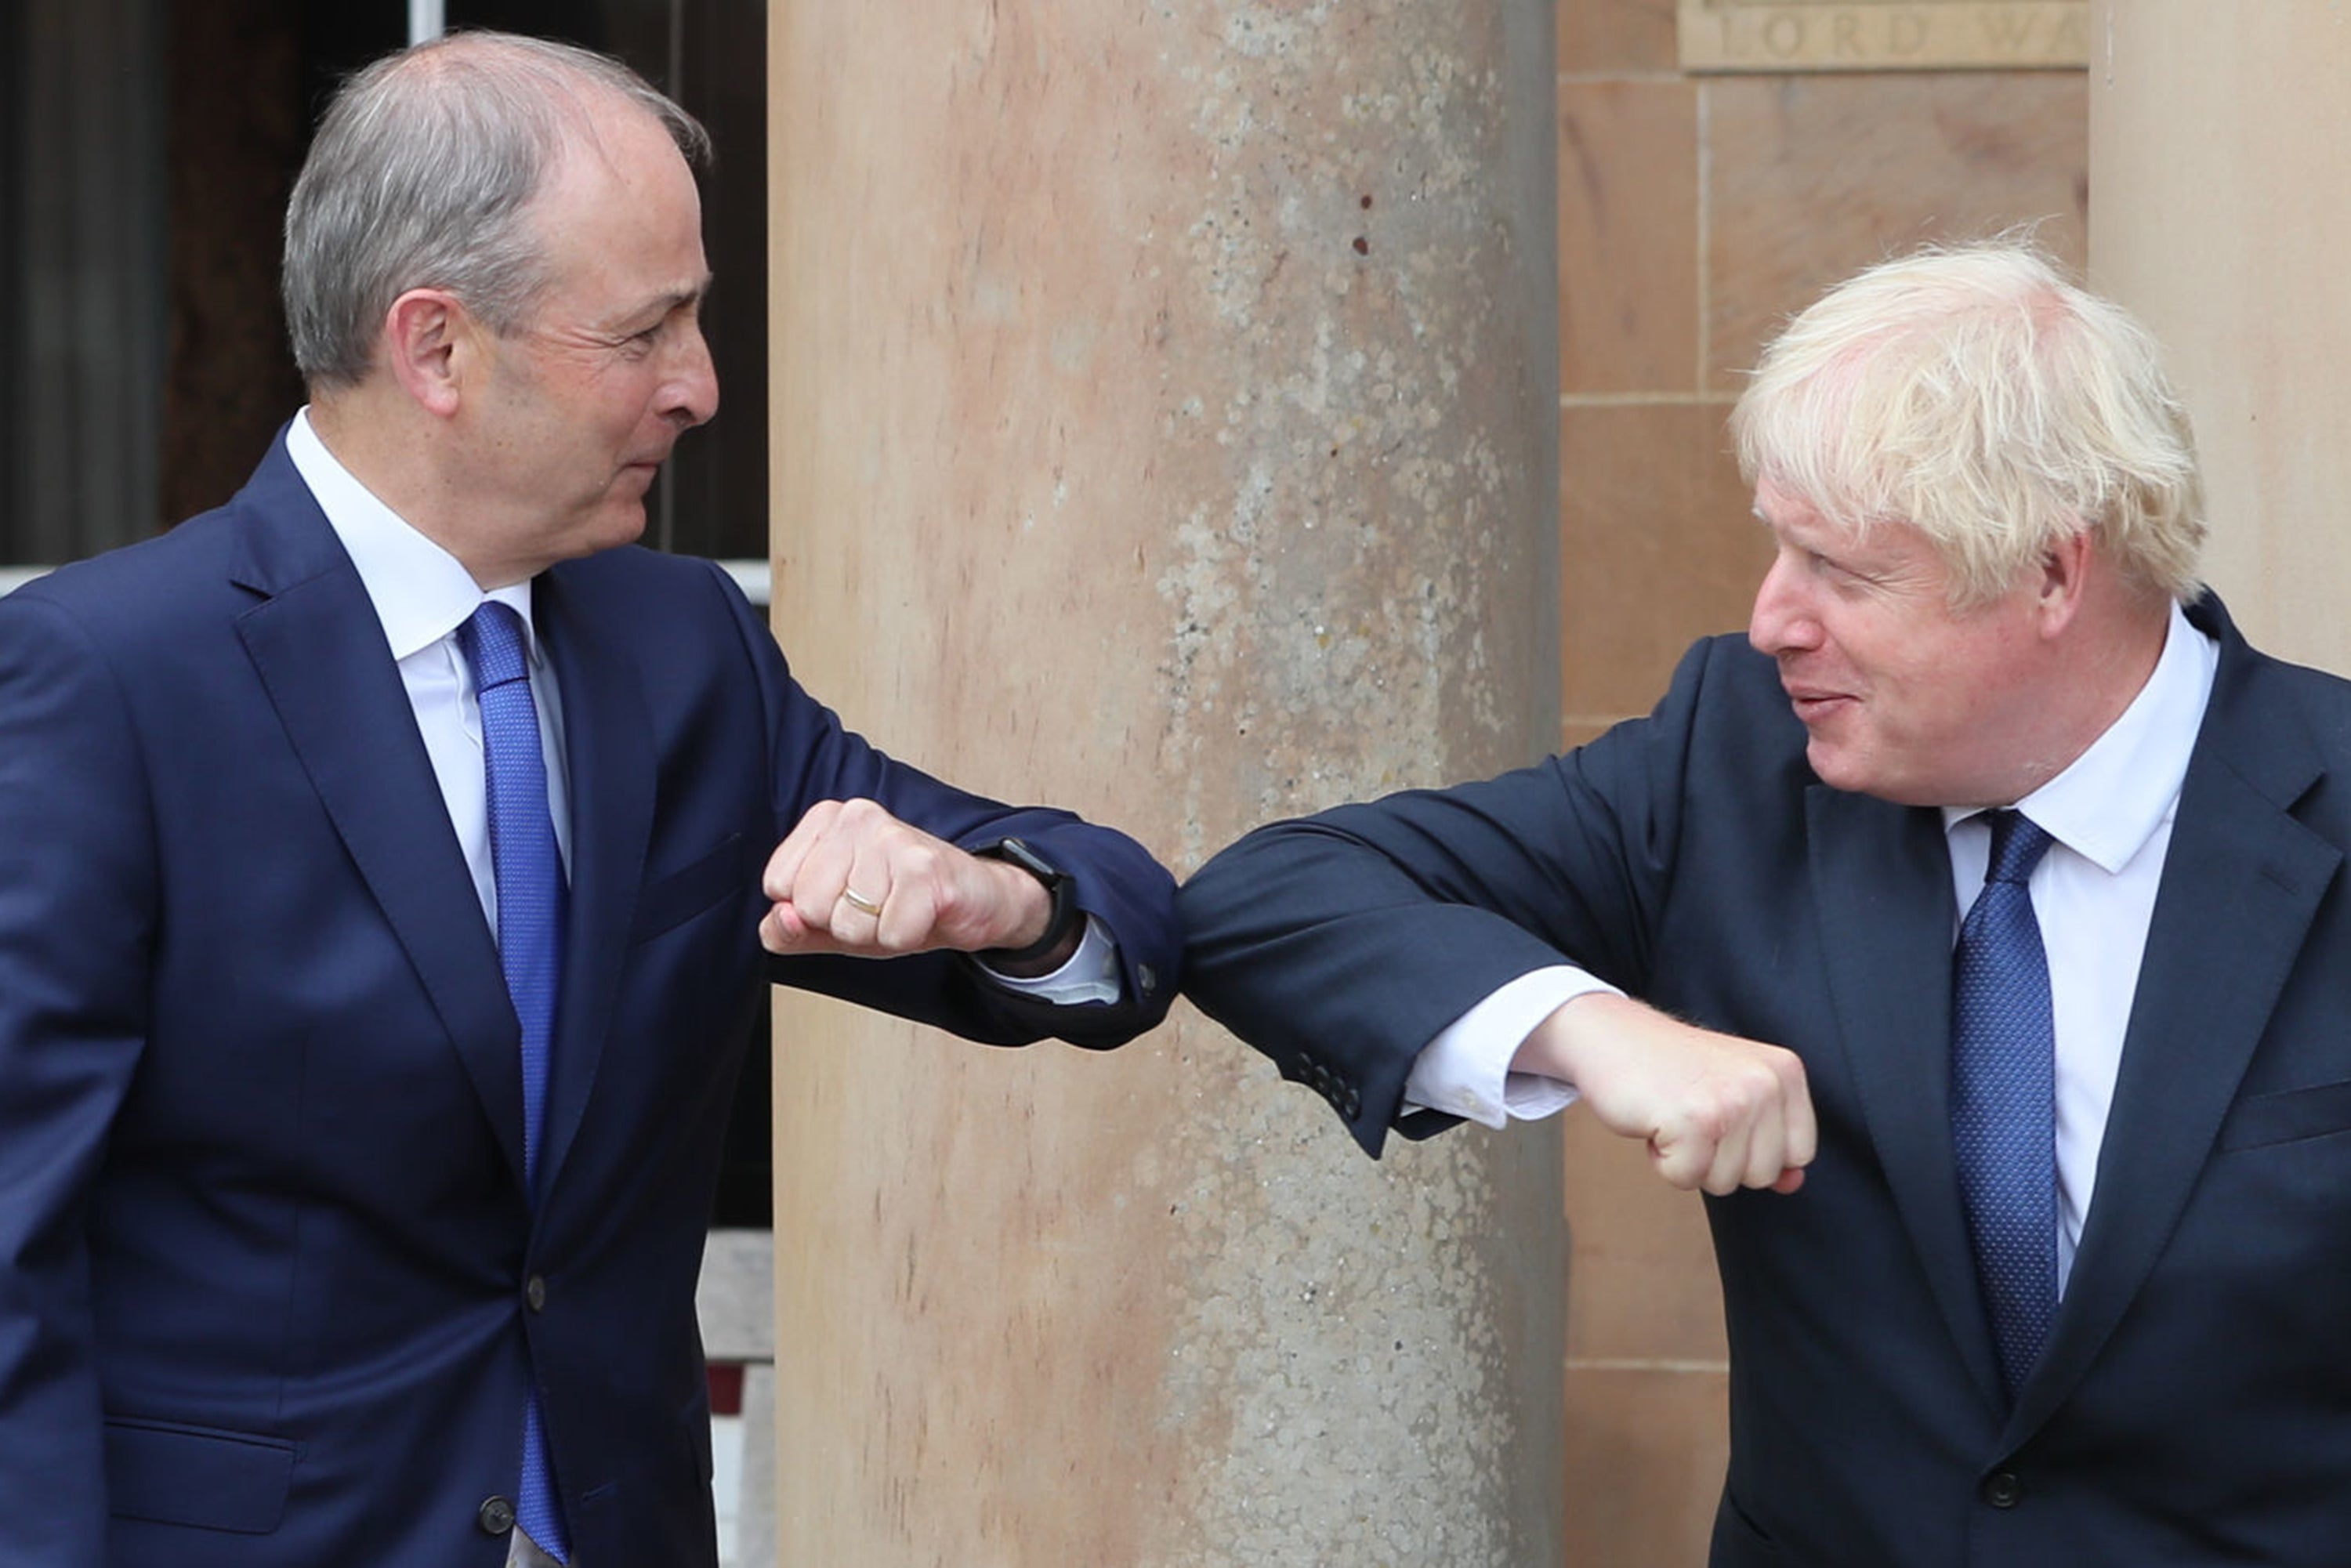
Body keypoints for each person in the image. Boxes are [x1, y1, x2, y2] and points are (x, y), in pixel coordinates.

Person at [0, 32, 1177, 1568]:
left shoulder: (684, 651)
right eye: (649, 329)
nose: (701, 385)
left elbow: (1125, 917)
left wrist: (1002, 899)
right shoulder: (106, 678)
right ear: (437, 350)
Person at [1181, 239, 2351, 1565]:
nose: (1771, 621)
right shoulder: (1731, 758)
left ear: (2050, 574)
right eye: (1777, 550)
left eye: (1843, 572)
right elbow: (1265, 902)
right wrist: (1595, 1028)